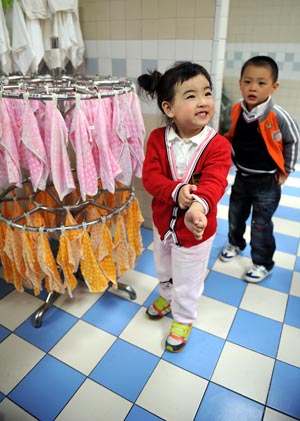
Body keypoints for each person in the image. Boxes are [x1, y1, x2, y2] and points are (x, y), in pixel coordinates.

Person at [138, 61, 231, 352]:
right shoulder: (156, 139)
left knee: (188, 279)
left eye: (207, 93)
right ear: (169, 109)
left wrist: (197, 208)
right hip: (163, 224)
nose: (203, 101)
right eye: (191, 96)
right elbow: (150, 178)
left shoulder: (218, 146)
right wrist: (176, 192)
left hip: (196, 230)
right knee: (163, 266)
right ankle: (166, 295)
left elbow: (215, 182)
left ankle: (184, 317)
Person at [220, 55, 299, 282]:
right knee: (235, 214)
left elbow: (293, 140)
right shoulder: (236, 109)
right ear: (240, 83)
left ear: (273, 87)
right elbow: (232, 135)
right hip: (242, 177)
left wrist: (286, 170)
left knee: (261, 224)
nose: (252, 87)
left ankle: (263, 263)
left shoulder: (278, 115)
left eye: (261, 83)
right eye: (247, 81)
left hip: (267, 183)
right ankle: (235, 242)